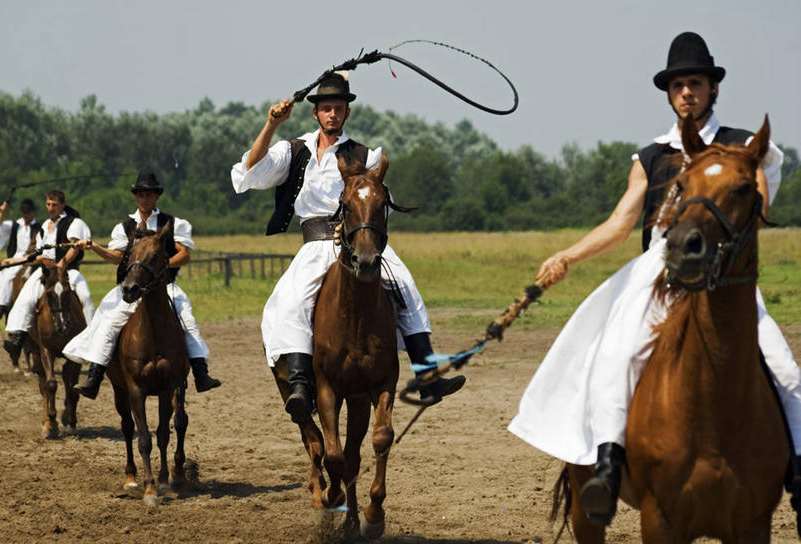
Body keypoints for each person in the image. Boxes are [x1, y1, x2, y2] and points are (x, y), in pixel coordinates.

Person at [508, 31, 799, 525]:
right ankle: (606, 465)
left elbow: (759, 208)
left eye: (697, 83)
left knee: (786, 369)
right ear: (670, 93)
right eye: (680, 84)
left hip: (725, 274)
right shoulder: (652, 155)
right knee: (617, 354)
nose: (688, 92)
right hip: (657, 272)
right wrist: (568, 256)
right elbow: (622, 223)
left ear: (713, 90)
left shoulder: (743, 147)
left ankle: (796, 474)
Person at [230, 71, 464, 424]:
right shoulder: (294, 150)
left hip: (357, 241)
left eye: (338, 108)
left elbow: (379, 198)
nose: (332, 115)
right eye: (326, 109)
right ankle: (299, 385)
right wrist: (271, 125)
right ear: (316, 113)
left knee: (406, 287)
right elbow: (249, 172)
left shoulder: (364, 154)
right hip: (314, 245)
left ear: (347, 113)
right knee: (291, 301)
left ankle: (427, 376)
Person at [64, 169, 221, 399]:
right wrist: (95, 247)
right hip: (130, 288)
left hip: (165, 287)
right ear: (135, 196)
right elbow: (118, 257)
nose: (144, 198)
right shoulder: (125, 227)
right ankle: (94, 377)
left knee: (187, 319)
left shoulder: (173, 223)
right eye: (140, 194)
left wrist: (161, 268)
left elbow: (184, 255)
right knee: (107, 322)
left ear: (156, 196)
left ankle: (200, 373)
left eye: (149, 194)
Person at [3, 190, 96, 358]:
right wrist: (15, 261)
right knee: (26, 297)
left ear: (62, 205)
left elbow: (75, 246)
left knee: (86, 296)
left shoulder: (74, 223)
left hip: (69, 271)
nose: (51, 208)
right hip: (46, 272)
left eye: (54, 205)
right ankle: (19, 337)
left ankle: (93, 341)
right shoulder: (45, 226)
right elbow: (40, 255)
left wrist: (63, 263)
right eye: (48, 204)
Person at [0, 198, 42, 319]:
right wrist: (2, 212)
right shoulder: (16, 225)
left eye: (28, 212)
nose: (25, 215)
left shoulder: (39, 227)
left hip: (31, 258)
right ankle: (2, 305)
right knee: (5, 274)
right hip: (16, 257)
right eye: (23, 212)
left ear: (33, 213)